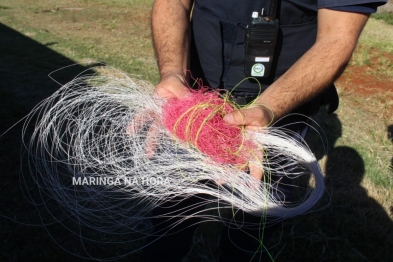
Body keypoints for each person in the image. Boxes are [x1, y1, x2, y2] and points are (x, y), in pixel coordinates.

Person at [144, 0, 387, 261]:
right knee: (173, 207)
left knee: (254, 221)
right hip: (193, 100)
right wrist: (172, 71)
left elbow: (337, 37)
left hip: (282, 106)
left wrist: (268, 108)